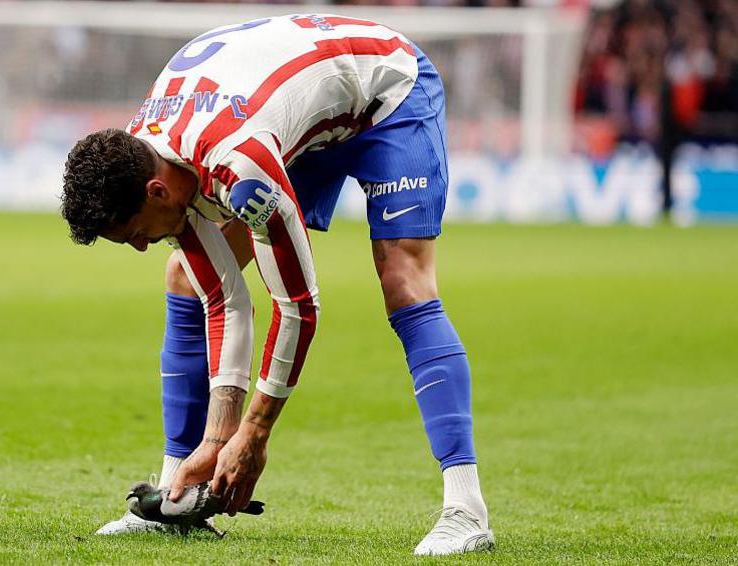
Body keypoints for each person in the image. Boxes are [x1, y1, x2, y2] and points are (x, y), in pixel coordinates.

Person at [60, 14, 493, 556]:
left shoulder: (239, 167)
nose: (142, 246)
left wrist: (255, 431)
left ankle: (466, 509)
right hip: (291, 118)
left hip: (384, 90)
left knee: (404, 282)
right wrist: (218, 437)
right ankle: (175, 496)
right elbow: (223, 297)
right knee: (186, 280)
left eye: (134, 236)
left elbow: (297, 307)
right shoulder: (147, 153)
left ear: (156, 192)